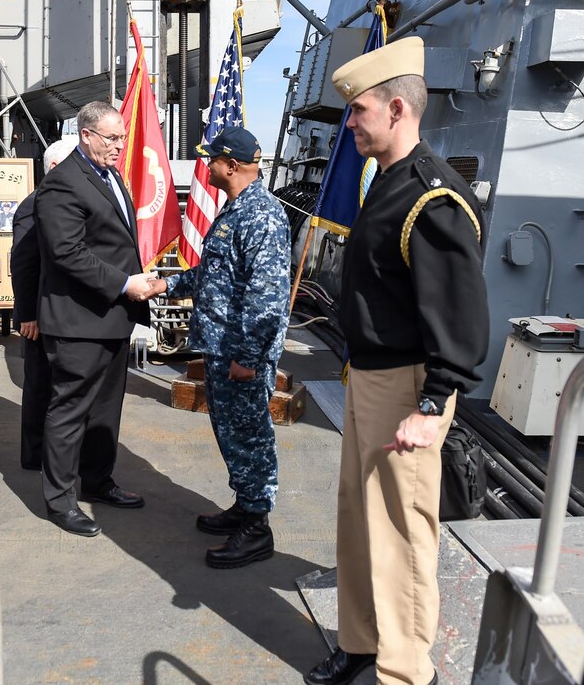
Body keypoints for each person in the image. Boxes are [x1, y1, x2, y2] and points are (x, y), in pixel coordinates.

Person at [304, 37, 488, 685]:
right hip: (368, 375)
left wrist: (433, 405)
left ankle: (407, 672)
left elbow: (460, 318)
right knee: (357, 520)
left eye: (357, 111)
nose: (349, 123)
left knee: (402, 538)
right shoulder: (385, 183)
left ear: (396, 110)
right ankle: (359, 644)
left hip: (408, 387)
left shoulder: (431, 197)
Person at [146, 125, 290, 569]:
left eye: (213, 159)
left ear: (232, 165)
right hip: (221, 348)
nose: (207, 166)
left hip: (241, 355)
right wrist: (165, 284)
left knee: (250, 436)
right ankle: (245, 506)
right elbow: (214, 276)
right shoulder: (234, 211)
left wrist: (248, 359)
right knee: (231, 433)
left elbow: (266, 298)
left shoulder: (261, 216)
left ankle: (257, 527)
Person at [33, 101, 154, 537]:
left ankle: (99, 481)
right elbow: (67, 253)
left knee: (105, 410)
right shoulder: (62, 185)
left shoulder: (108, 174)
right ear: (86, 135)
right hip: (78, 322)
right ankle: (60, 501)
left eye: (121, 138)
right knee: (69, 412)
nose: (120, 146)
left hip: (111, 319)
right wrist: (126, 283)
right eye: (112, 139)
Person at [11, 136, 79, 471]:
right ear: (54, 167)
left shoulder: (65, 204)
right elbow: (23, 264)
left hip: (59, 312)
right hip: (37, 313)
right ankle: (34, 455)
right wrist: (27, 315)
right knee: (38, 384)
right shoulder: (33, 204)